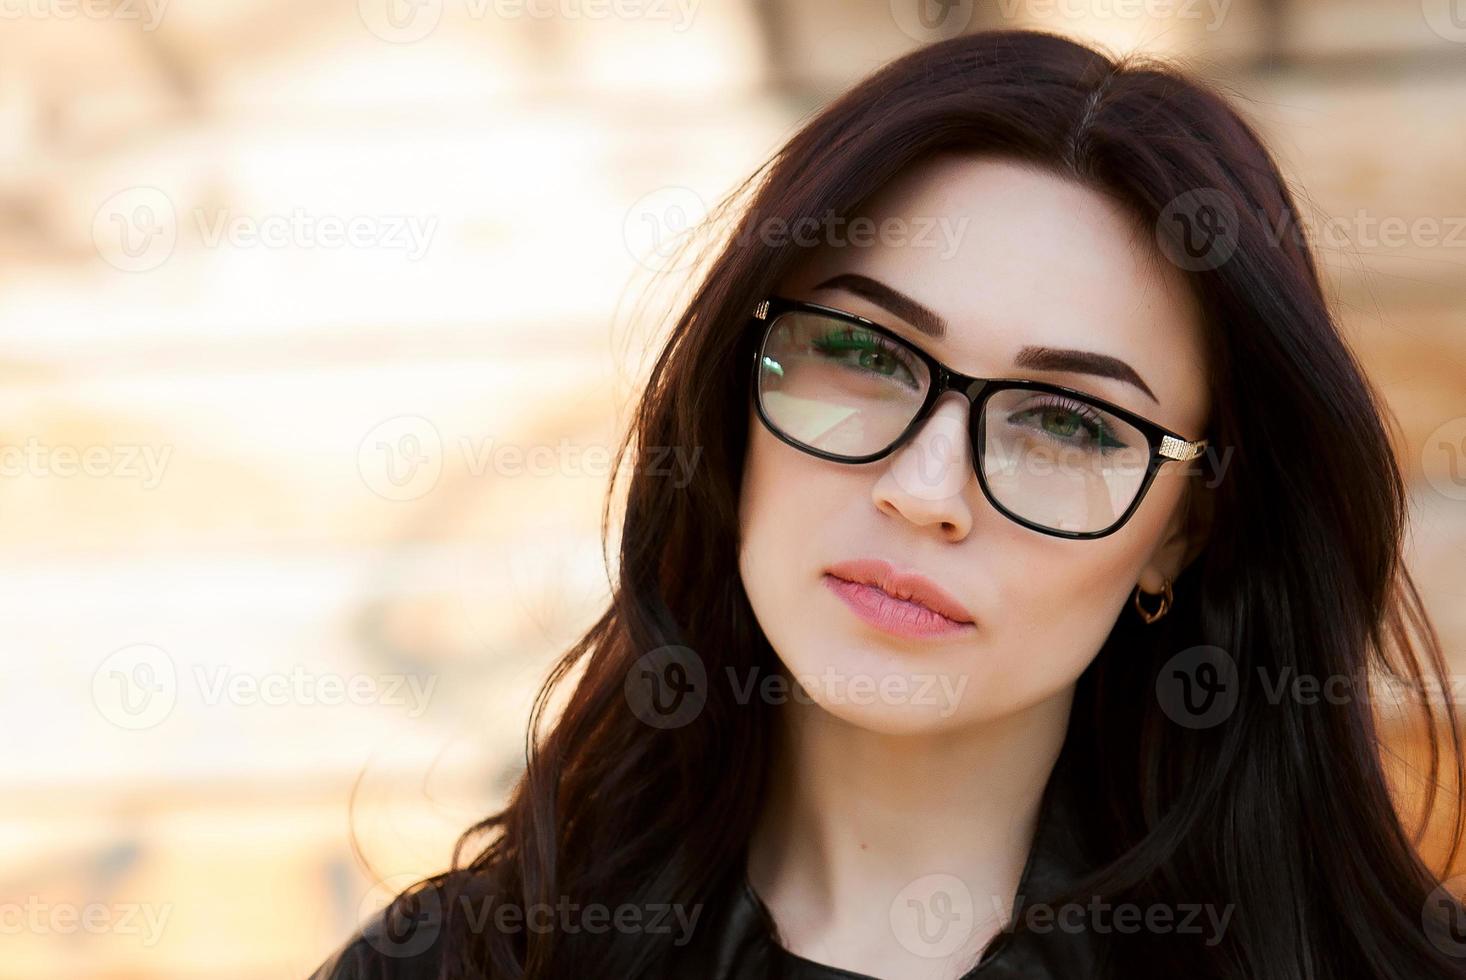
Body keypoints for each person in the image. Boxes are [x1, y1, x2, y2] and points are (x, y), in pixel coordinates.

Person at [309, 28, 1466, 979]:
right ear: (731, 399)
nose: (924, 492)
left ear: (1179, 528)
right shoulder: (458, 962)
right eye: (864, 354)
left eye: (1066, 422)